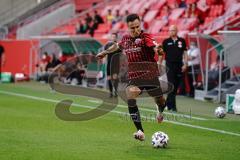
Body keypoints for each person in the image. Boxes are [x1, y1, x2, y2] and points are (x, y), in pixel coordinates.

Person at [96, 14, 166, 141]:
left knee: (160, 101)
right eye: (132, 28)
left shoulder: (146, 37)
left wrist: (158, 50)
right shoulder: (126, 39)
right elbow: (117, 46)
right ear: (128, 27)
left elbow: (155, 46)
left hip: (150, 75)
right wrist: (105, 52)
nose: (136, 30)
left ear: (140, 25)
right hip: (135, 77)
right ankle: (140, 130)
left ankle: (160, 111)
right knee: (130, 94)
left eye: (137, 26)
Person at [162, 25, 188, 112]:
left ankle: (166, 104)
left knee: (176, 86)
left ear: (177, 31)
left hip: (179, 65)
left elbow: (185, 53)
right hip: (169, 65)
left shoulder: (182, 41)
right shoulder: (166, 42)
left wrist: (185, 64)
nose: (171, 32)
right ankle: (173, 107)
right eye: (170, 30)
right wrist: (159, 63)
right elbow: (161, 54)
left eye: (173, 30)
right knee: (172, 85)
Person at [104, 33, 121, 98]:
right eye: (112, 37)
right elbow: (105, 54)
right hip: (109, 63)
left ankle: (115, 92)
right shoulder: (107, 45)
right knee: (109, 78)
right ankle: (111, 92)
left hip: (116, 64)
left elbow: (120, 55)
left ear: (116, 38)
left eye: (114, 37)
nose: (113, 38)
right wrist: (105, 61)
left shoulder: (118, 45)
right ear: (110, 37)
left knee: (115, 78)